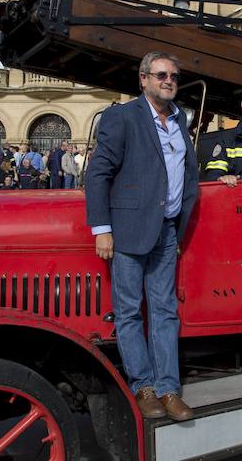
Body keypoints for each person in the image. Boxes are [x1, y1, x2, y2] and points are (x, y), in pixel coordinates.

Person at [86, 51, 198, 421]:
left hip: (166, 230)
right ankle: (143, 387)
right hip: (129, 231)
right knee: (130, 311)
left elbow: (188, 176)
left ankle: (169, 389)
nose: (169, 80)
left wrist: (179, 228)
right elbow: (98, 173)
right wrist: (102, 229)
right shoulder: (123, 116)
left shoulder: (180, 119)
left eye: (175, 76)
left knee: (165, 311)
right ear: (144, 79)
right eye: (162, 74)